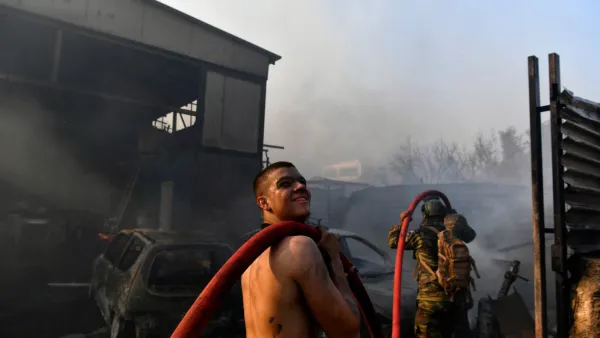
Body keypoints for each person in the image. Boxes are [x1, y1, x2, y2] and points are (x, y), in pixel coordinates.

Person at [241, 161, 361, 338]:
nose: (300, 187)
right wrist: (335, 259)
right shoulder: (299, 247)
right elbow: (348, 332)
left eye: (302, 182)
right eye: (285, 184)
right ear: (264, 203)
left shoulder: (251, 256)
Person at [387, 197, 476, 338]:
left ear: (425, 214)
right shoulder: (454, 233)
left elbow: (393, 242)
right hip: (456, 297)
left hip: (430, 300)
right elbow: (471, 236)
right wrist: (457, 218)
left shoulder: (419, 234)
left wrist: (403, 221)